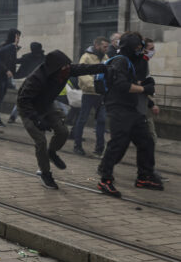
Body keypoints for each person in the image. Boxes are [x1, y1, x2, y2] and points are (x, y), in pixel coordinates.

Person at [16, 50, 106, 189]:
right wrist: (37, 119)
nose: (68, 68)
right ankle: (45, 173)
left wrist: (105, 67)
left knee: (63, 131)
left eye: (68, 65)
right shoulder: (37, 78)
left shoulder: (66, 70)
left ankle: (52, 152)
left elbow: (83, 68)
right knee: (40, 141)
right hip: (29, 109)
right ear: (55, 67)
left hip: (47, 105)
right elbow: (23, 100)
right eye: (64, 66)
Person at [97, 32, 163, 197]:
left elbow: (132, 81)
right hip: (118, 108)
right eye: (137, 48)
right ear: (129, 48)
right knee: (118, 144)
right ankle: (105, 180)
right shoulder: (120, 61)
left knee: (146, 141)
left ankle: (144, 177)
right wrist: (144, 89)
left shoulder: (130, 61)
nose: (140, 50)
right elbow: (121, 85)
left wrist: (145, 83)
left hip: (130, 108)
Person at [72, 36, 109, 156]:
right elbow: (82, 74)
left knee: (101, 120)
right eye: (104, 46)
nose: (106, 49)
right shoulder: (86, 57)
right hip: (88, 94)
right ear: (97, 46)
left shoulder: (106, 58)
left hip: (101, 95)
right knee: (82, 120)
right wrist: (95, 85)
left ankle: (99, 148)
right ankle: (77, 146)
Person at [7, 42, 45, 123]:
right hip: (39, 82)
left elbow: (15, 61)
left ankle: (13, 117)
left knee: (22, 99)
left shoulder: (28, 57)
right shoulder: (43, 58)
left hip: (31, 81)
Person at [0, 28, 21, 127]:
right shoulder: (6, 46)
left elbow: (11, 61)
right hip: (0, 76)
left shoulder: (13, 47)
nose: (18, 39)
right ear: (12, 37)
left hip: (5, 77)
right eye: (17, 37)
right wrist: (6, 70)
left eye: (19, 37)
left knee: (0, 98)